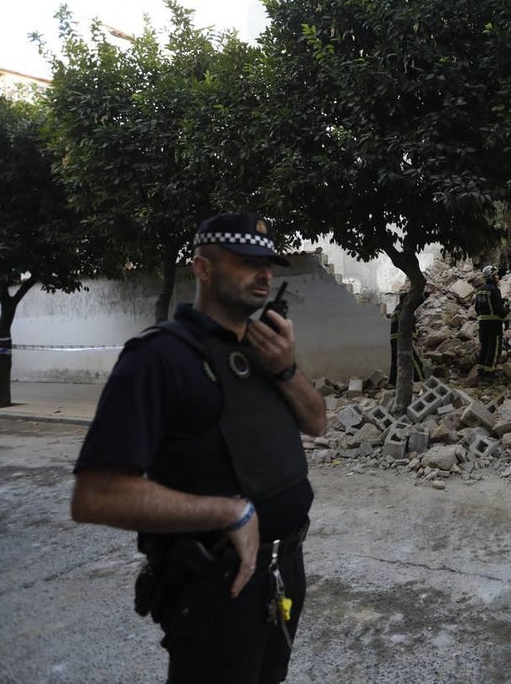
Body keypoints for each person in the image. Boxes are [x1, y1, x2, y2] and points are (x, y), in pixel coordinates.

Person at [70, 213, 327, 684]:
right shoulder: (157, 358)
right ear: (202, 269)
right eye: (247, 261)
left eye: (268, 262)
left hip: (284, 568)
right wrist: (227, 512)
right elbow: (95, 495)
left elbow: (317, 422)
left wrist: (288, 370)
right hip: (217, 583)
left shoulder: (262, 348)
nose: (265, 273)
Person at [474, 265, 509, 380]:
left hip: (482, 324)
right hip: (494, 324)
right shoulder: (494, 290)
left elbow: (477, 308)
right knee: (494, 348)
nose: (498, 277)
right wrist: (506, 318)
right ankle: (490, 373)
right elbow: (499, 310)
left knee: (484, 346)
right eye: (496, 275)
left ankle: (481, 369)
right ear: (492, 276)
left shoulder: (479, 290)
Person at [389, 292, 426, 384]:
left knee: (395, 360)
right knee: (415, 361)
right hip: (401, 338)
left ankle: (392, 382)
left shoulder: (397, 309)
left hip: (394, 338)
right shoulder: (404, 310)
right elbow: (408, 324)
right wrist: (414, 335)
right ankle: (420, 380)